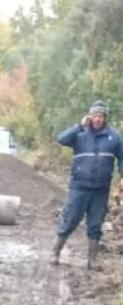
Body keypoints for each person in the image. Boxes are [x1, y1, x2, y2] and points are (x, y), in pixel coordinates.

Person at [51, 100, 123, 269]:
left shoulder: (114, 136)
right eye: (95, 116)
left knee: (95, 225)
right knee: (70, 220)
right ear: (89, 116)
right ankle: (55, 252)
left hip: (100, 189)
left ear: (105, 118)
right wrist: (78, 126)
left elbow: (122, 157)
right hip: (79, 187)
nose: (98, 119)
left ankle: (92, 260)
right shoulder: (79, 134)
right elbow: (61, 139)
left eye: (101, 116)